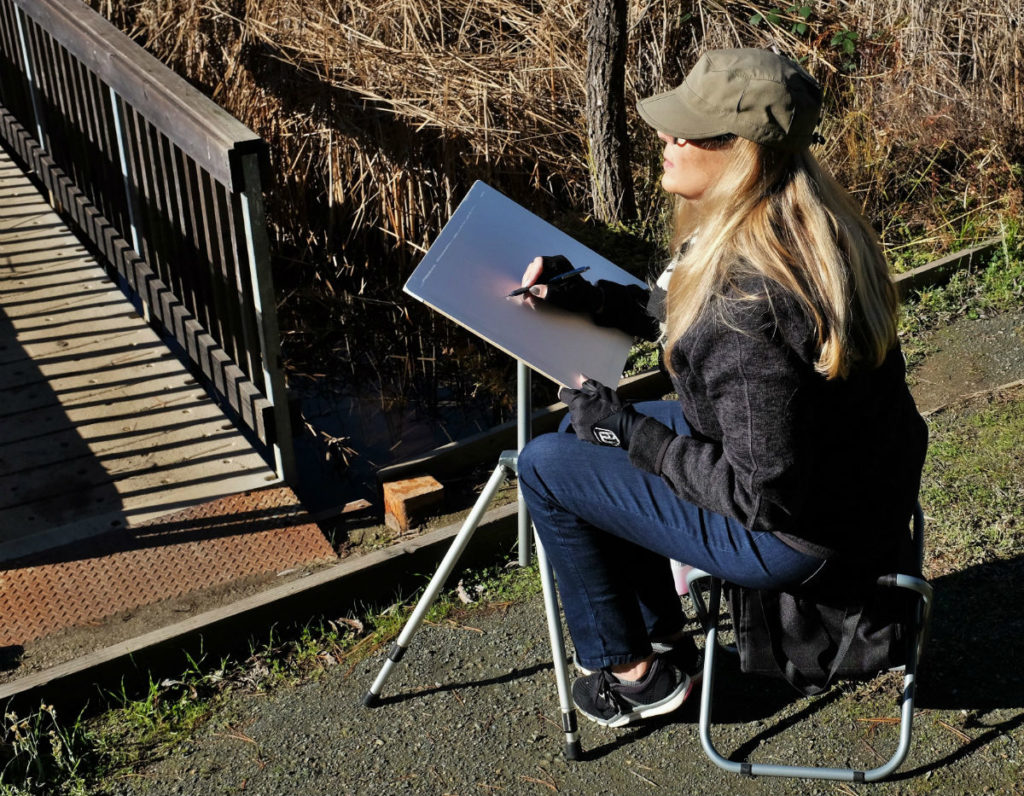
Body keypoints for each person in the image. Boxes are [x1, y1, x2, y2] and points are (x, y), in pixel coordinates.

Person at [515, 48, 928, 729]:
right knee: (571, 436)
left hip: (796, 538)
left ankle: (631, 673)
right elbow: (704, 324)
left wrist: (626, 432)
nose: (666, 141)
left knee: (546, 466)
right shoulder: (810, 224)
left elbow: (758, 495)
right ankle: (662, 641)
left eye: (687, 132)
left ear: (741, 153)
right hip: (854, 495)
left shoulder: (745, 303)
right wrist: (596, 301)